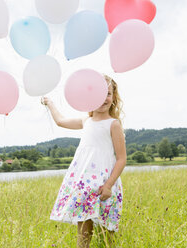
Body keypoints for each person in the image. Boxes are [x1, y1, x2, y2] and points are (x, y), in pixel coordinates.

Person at [42, 75, 126, 248]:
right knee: (84, 232)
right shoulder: (86, 120)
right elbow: (60, 121)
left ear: (114, 98)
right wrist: (50, 103)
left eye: (108, 93)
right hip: (85, 183)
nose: (104, 98)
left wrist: (109, 185)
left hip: (105, 183)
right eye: (99, 93)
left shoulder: (113, 124)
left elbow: (121, 158)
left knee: (107, 234)